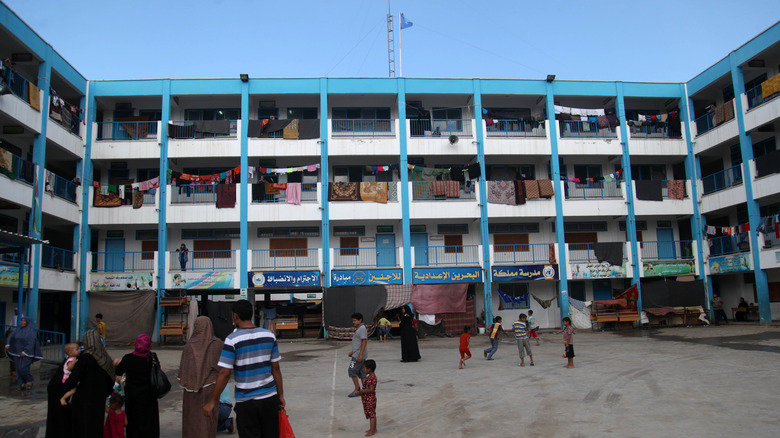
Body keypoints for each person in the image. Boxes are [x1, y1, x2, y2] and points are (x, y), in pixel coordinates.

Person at [203, 300, 285, 437]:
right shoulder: (269, 336)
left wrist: (212, 401)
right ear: (252, 314)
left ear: (235, 316)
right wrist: (280, 396)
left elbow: (224, 373)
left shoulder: (232, 340)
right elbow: (276, 368)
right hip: (269, 399)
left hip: (246, 402)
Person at [62, 329, 115, 437]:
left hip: (83, 402)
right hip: (98, 401)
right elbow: (111, 381)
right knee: (96, 428)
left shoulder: (85, 358)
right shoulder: (106, 359)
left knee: (83, 429)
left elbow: (72, 380)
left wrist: (66, 388)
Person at [178, 316, 224, 438]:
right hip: (210, 388)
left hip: (190, 390)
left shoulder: (189, 345)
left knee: (191, 421)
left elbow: (183, 370)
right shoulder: (216, 344)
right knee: (207, 422)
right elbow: (222, 369)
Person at [115, 334, 160, 438]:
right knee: (149, 419)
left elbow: (118, 371)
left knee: (133, 420)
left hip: (132, 395)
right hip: (149, 395)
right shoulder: (152, 357)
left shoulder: (128, 358)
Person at [4, 316, 43, 392]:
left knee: (23, 368)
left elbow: (31, 343)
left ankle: (29, 380)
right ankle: (21, 383)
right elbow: (10, 336)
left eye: (24, 321)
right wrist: (7, 344)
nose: (22, 322)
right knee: (18, 369)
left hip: (27, 353)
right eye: (22, 321)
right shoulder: (17, 330)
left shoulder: (31, 332)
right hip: (17, 352)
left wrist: (25, 351)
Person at [347, 313, 368, 397]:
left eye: (355, 320)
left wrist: (360, 354)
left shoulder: (362, 329)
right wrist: (353, 351)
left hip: (358, 355)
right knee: (362, 372)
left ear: (360, 320)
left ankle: (357, 389)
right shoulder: (359, 329)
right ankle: (365, 389)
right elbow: (358, 342)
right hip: (357, 353)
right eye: (353, 320)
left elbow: (364, 341)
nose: (353, 322)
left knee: (352, 370)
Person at [356, 359, 378, 437]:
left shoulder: (373, 378)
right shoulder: (369, 377)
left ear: (369, 369)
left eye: (364, 368)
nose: (363, 369)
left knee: (372, 415)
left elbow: (371, 389)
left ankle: (372, 431)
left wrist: (361, 392)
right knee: (371, 414)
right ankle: (373, 428)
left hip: (370, 399)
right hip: (367, 398)